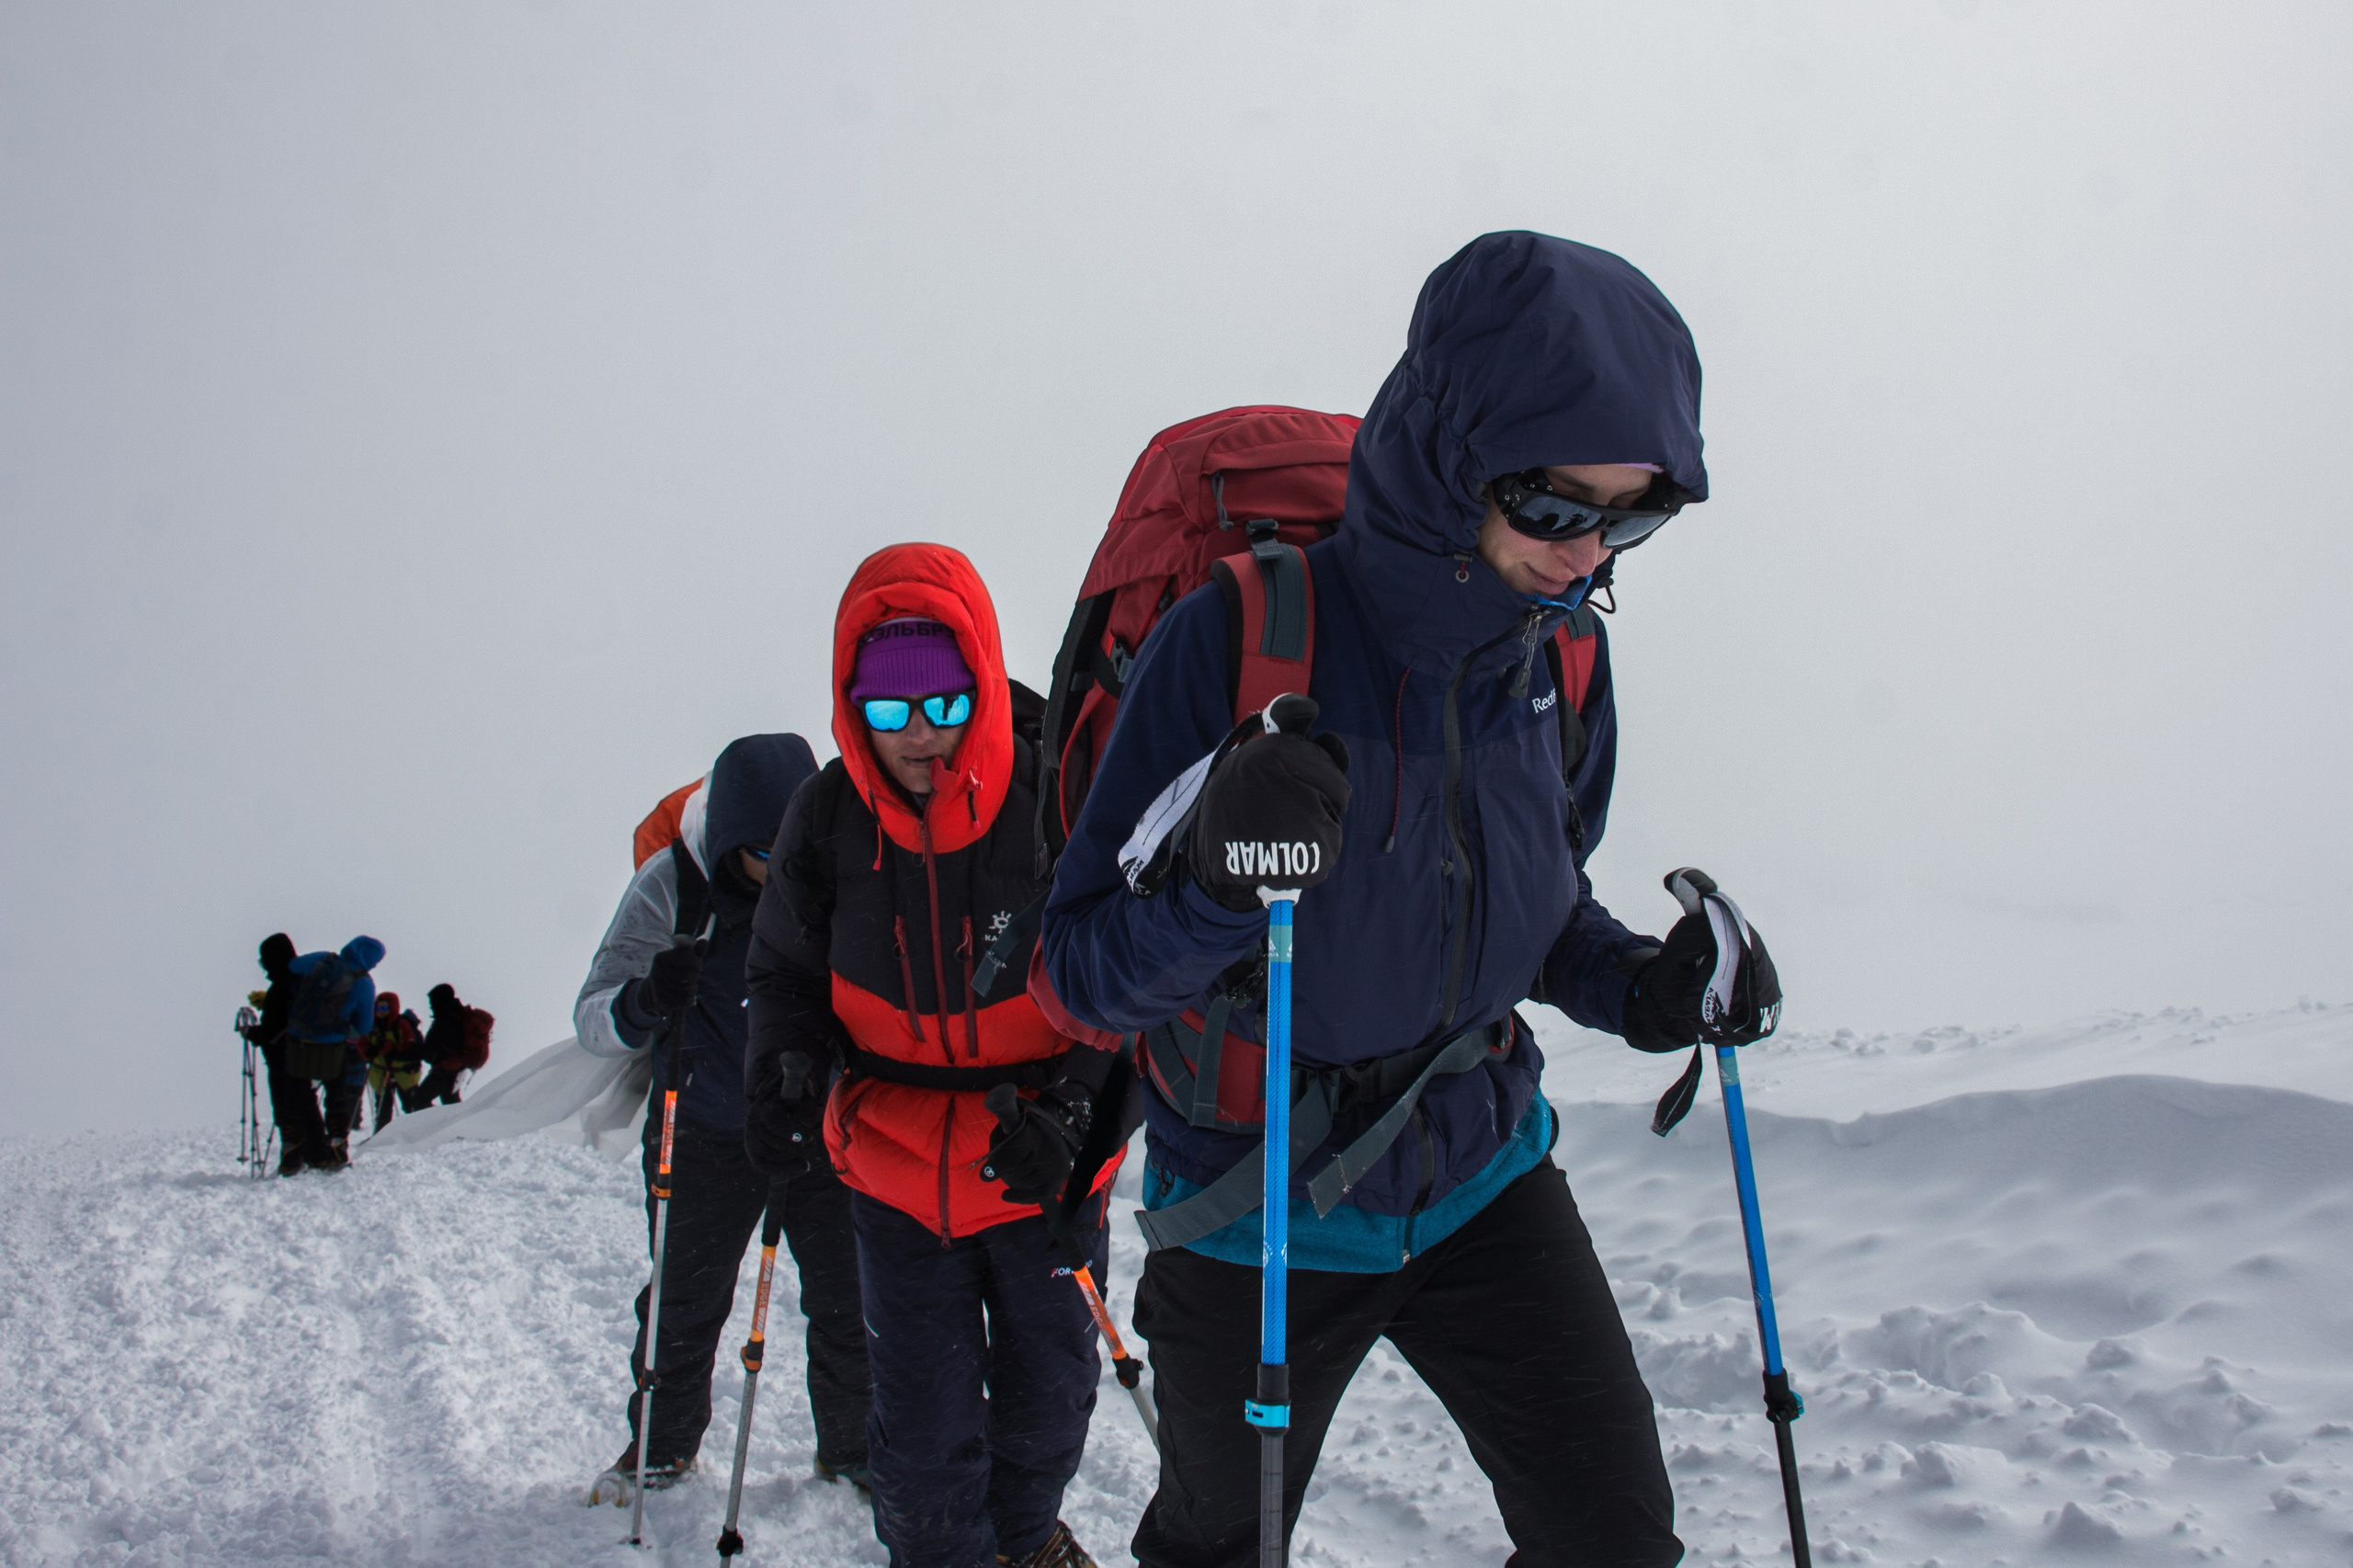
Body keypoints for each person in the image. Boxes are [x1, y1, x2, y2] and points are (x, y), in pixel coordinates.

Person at [1043, 232, 1760, 1567]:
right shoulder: (1240, 639)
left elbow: (1530, 915)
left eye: (1632, 515)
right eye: (1555, 507)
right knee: (1216, 1548)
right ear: (1452, 460)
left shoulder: (1565, 661)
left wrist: (1645, 986)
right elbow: (1078, 975)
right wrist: (1216, 877)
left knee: (1615, 1539)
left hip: (1484, 1170)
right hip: (1258, 1204)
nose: (1588, 551)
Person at [745, 545, 1126, 1568]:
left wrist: (1075, 1116)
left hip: (1037, 1162)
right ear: (849, 706)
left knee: (1050, 1395)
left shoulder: (1061, 795)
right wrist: (784, 1070)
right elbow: (782, 972)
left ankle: (1023, 1537)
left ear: (980, 685)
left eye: (944, 704)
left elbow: (1126, 984)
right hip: (894, 1167)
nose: (918, 735)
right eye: (886, 711)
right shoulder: (824, 819)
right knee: (918, 1425)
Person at [575, 733, 870, 1499]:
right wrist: (645, 1001)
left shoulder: (843, 869)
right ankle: (662, 1448)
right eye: (761, 853)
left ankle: (857, 1450)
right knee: (684, 1296)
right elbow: (593, 1020)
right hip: (704, 1126)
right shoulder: (673, 885)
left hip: (820, 1121)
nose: (779, 867)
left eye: (793, 846)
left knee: (852, 1294)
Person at [278, 936, 386, 1173]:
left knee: (296, 1096)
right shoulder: (364, 983)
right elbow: (365, 1027)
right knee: (336, 1096)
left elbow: (293, 966)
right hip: (333, 1047)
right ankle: (336, 1147)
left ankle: (292, 1151)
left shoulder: (322, 960)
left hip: (297, 1040)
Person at [240, 933, 313, 1176]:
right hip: (307, 1055)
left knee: (285, 1105)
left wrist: (250, 1032)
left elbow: (271, 1031)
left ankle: (293, 1158)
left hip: (282, 1058)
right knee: (304, 1103)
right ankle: (313, 1153)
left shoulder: (280, 988)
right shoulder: (303, 981)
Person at [359, 992, 427, 1133]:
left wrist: (390, 1050)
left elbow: (411, 1048)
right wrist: (368, 1051)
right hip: (383, 1073)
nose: (381, 1012)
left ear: (393, 1007)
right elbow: (362, 1043)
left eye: (385, 1008)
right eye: (378, 1008)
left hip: (402, 1073)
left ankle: (418, 1134)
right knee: (384, 1108)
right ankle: (382, 1138)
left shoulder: (401, 1024)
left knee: (410, 1106)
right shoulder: (372, 1025)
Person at [407, 983, 474, 1110]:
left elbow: (429, 1050)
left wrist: (409, 1050)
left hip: (444, 1070)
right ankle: (458, 1128)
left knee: (419, 1100)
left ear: (439, 1001)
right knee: (451, 1106)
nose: (430, 1005)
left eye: (432, 1001)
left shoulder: (444, 1021)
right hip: (456, 1068)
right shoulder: (457, 1015)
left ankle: (433, 1129)